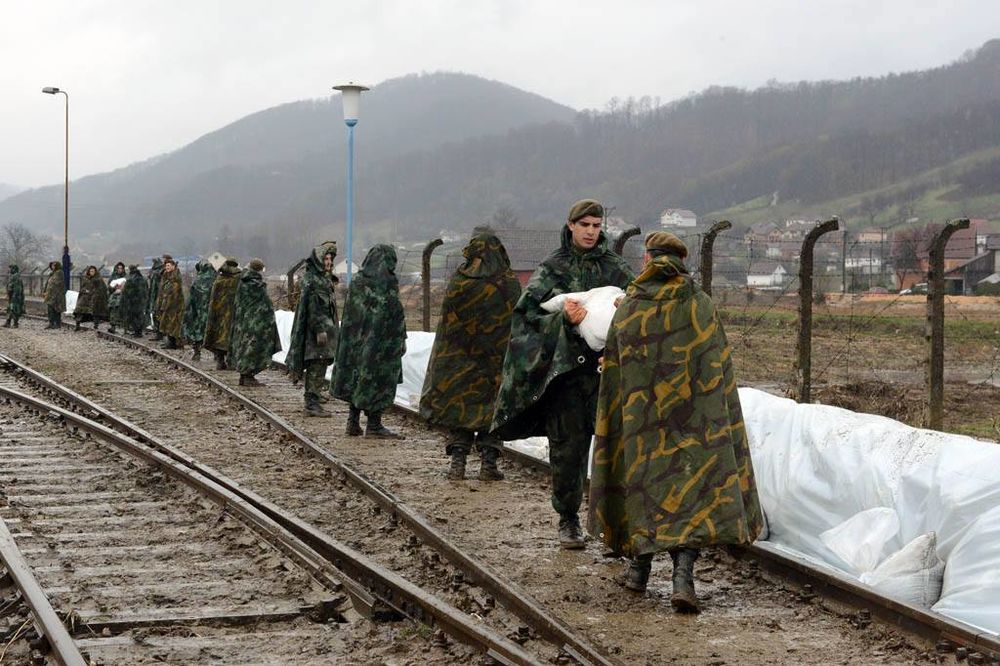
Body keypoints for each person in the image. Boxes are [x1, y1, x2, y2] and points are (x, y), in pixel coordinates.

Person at [587, 231, 764, 612]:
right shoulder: (700, 305)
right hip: (693, 423)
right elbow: (718, 367)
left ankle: (638, 571)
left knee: (643, 484)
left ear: (648, 260)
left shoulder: (631, 306)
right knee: (687, 492)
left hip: (642, 424)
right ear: (681, 262)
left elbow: (617, 362)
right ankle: (683, 579)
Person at [492, 199, 634, 549]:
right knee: (568, 449)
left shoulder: (615, 269)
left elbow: (641, 304)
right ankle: (568, 518)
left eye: (596, 225)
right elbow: (525, 318)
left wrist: (624, 309)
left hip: (608, 376)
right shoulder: (552, 269)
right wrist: (563, 320)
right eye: (584, 224)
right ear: (570, 225)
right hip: (567, 376)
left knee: (615, 449)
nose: (590, 231)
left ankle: (615, 525)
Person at [420, 231, 521, 480]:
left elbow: (446, 325)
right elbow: (518, 322)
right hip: (495, 363)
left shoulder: (459, 282)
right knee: (492, 412)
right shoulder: (508, 283)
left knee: (460, 410)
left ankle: (458, 463)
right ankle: (488, 465)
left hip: (460, 361)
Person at [331, 244, 406, 438]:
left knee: (356, 377)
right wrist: (400, 340)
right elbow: (394, 314)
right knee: (378, 380)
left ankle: (352, 421)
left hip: (354, 342)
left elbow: (350, 314)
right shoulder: (387, 282)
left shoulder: (357, 281)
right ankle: (374, 425)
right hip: (381, 345)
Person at [286, 242, 339, 417]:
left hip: (324, 329)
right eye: (325, 259)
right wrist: (319, 330)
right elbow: (314, 308)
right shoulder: (314, 280)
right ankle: (312, 402)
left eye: (330, 259)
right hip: (317, 331)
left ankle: (315, 396)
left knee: (321, 363)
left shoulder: (321, 278)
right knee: (317, 364)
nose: (329, 262)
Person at [229, 258, 280, 386]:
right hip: (255, 322)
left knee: (245, 346)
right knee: (252, 347)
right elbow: (262, 304)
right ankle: (247, 375)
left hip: (243, 321)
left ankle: (244, 374)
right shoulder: (255, 284)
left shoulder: (242, 281)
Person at [203, 258, 242, 369]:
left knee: (219, 336)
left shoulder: (220, 278)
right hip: (234, 312)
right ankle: (231, 361)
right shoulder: (239, 279)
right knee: (233, 335)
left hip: (219, 312)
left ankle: (220, 360)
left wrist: (213, 312)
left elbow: (213, 298)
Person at [182, 261, 218, 361]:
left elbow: (191, 299)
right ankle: (217, 355)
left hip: (199, 312)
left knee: (198, 332)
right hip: (213, 312)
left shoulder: (197, 281)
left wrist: (189, 312)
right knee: (214, 333)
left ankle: (197, 352)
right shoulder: (217, 280)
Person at [155, 256, 185, 349]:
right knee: (167, 324)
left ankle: (176, 343)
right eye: (166, 266)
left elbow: (174, 293)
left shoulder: (176, 277)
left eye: (168, 265)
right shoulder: (165, 276)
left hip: (175, 305)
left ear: (173, 266)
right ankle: (171, 342)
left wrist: (167, 302)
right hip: (166, 304)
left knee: (174, 324)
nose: (167, 267)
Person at [74, 265, 109, 331]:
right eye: (90, 271)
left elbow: (102, 289)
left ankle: (96, 325)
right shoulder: (85, 279)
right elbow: (82, 288)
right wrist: (85, 291)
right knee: (79, 309)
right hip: (85, 297)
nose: (91, 272)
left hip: (95, 297)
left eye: (93, 271)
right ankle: (77, 324)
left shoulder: (98, 279)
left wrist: (94, 292)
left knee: (95, 311)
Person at [122, 264, 148, 337]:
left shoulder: (133, 278)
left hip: (134, 300)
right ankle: (138, 331)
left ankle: (137, 332)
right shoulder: (140, 277)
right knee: (137, 316)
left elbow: (130, 290)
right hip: (138, 300)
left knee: (134, 316)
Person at [43, 261, 67, 329]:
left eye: (54, 265)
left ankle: (57, 324)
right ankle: (51, 323)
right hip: (50, 295)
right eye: (52, 266)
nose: (52, 267)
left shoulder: (59, 272)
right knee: (50, 309)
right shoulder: (52, 273)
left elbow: (57, 283)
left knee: (56, 309)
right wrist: (45, 291)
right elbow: (48, 283)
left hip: (57, 295)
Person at [106, 262, 127, 334]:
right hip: (114, 297)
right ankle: (113, 326)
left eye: (121, 268)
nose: (120, 270)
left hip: (123, 297)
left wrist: (123, 289)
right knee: (113, 311)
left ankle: (124, 328)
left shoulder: (126, 277)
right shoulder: (113, 277)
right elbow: (109, 286)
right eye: (118, 268)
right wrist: (114, 288)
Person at [146, 257, 165, 339]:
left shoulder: (158, 272)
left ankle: (159, 333)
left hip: (157, 296)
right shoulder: (157, 272)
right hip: (155, 295)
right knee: (155, 314)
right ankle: (159, 332)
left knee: (156, 314)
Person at [3, 264, 25, 328]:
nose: (9, 270)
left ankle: (15, 323)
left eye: (11, 268)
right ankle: (8, 322)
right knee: (10, 309)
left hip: (15, 296)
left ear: (14, 269)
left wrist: (14, 296)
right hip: (12, 296)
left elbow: (18, 288)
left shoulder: (16, 276)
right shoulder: (12, 276)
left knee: (14, 309)